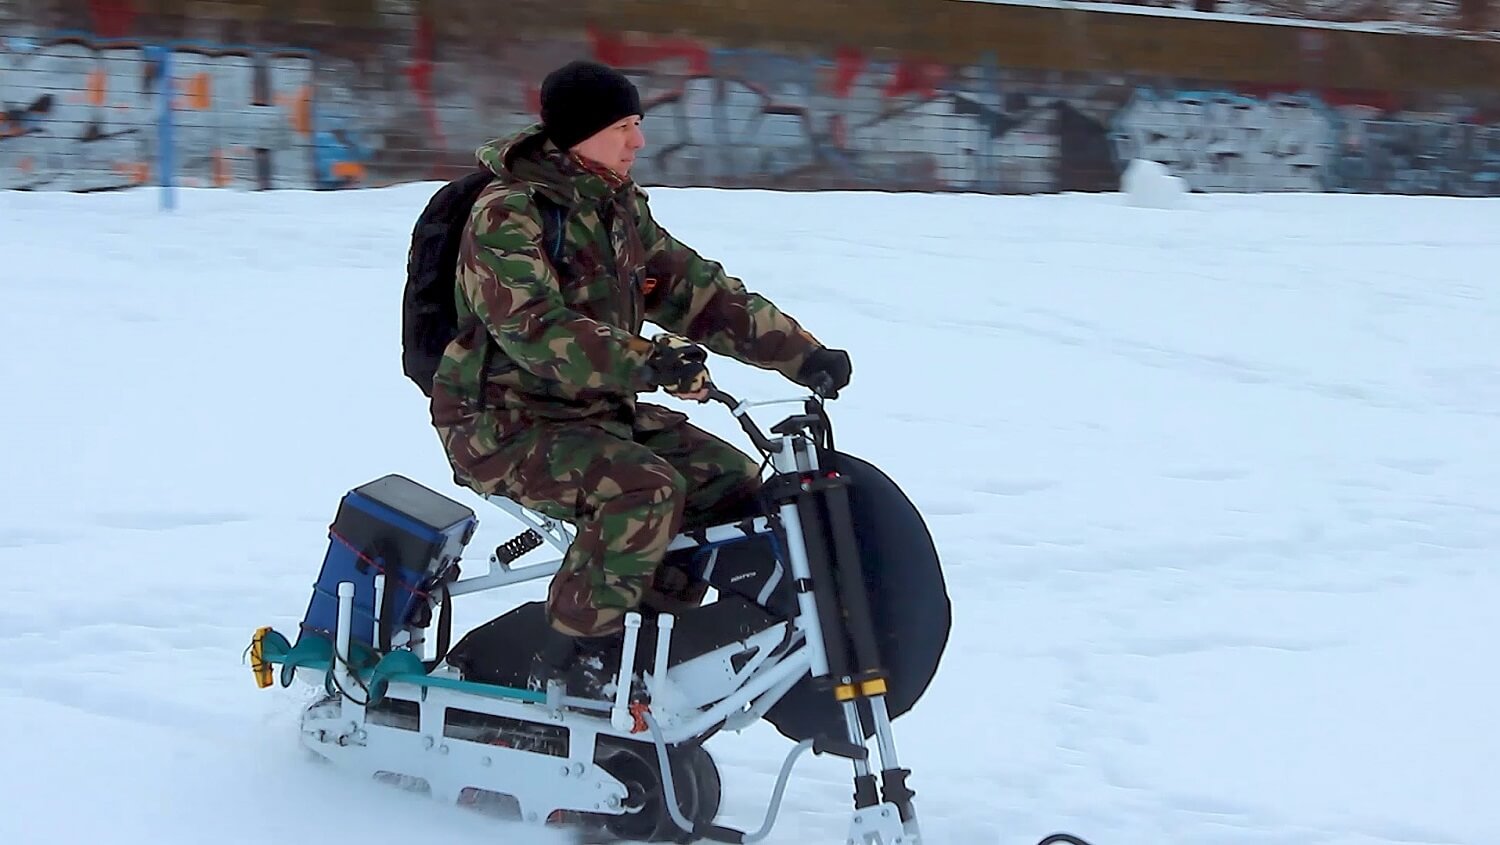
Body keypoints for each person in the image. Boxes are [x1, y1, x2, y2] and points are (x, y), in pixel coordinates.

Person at [428, 60, 852, 692]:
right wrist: (648, 360)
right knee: (643, 490)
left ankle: (649, 637)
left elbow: (698, 291)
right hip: (503, 422)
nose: (638, 141)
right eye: (625, 126)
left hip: (595, 412)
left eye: (638, 125)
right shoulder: (508, 217)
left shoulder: (616, 207)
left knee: (731, 482)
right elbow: (537, 332)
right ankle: (576, 660)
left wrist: (802, 353)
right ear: (581, 132)